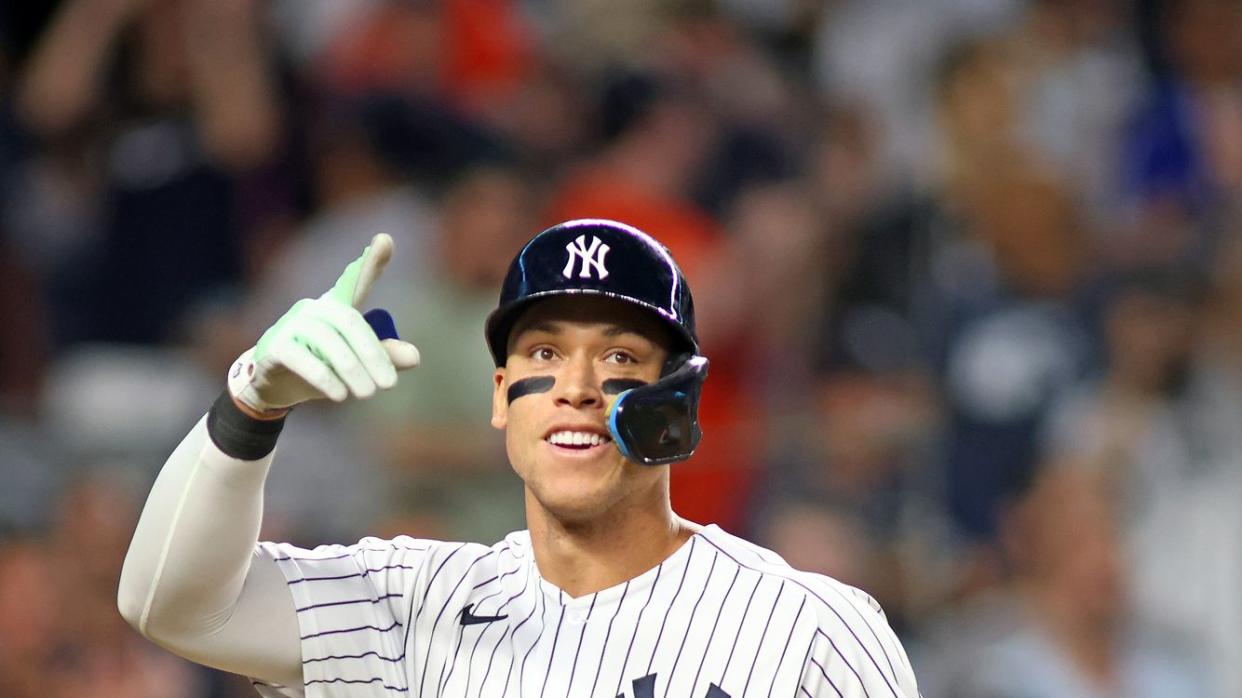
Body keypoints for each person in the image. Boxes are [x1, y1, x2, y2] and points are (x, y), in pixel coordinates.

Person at [118, 220, 919, 696]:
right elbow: (174, 606)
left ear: (679, 399)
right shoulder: (413, 603)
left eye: (619, 361)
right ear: (503, 395)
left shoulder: (810, 628)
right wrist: (251, 404)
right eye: (544, 352)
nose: (574, 387)